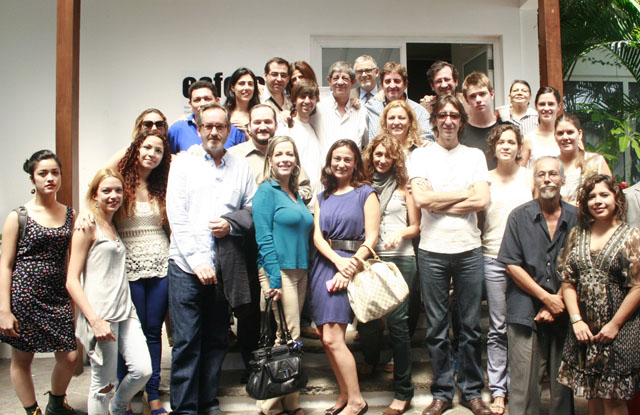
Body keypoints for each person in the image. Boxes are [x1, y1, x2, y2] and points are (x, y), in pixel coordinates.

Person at [166, 102, 255, 415]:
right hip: (185, 268)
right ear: (199, 128)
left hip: (223, 268)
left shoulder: (241, 167)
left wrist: (231, 224)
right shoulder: (183, 165)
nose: (214, 132)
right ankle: (186, 409)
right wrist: (196, 261)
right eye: (208, 126)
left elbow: (252, 209)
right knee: (188, 342)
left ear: (229, 130)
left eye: (220, 126)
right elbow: (175, 215)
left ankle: (208, 402)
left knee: (217, 340)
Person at [410, 94, 491, 415]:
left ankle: (472, 392)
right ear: (434, 121)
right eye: (441, 115)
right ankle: (442, 392)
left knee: (470, 327)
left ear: (461, 120)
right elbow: (421, 200)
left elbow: (482, 201)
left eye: (453, 115)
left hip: (469, 249)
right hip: (432, 251)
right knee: (436, 328)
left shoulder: (474, 156)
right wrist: (463, 194)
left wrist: (437, 197)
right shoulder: (420, 156)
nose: (447, 120)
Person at [66, 168, 152, 415]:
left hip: (125, 311)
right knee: (102, 385)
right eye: (106, 191)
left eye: (117, 190)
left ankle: (116, 406)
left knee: (143, 370)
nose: (113, 195)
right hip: (101, 315)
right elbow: (72, 280)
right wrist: (94, 320)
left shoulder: (113, 224)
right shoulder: (87, 226)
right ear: (94, 195)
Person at [497, 156, 577, 415]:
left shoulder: (578, 218)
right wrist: (546, 298)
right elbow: (511, 265)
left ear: (563, 180)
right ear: (534, 180)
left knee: (562, 385)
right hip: (524, 309)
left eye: (553, 174)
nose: (547, 179)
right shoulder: (519, 216)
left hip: (565, 308)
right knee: (524, 386)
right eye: (541, 174)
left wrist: (557, 302)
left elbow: (580, 266)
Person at [0, 150, 77, 415]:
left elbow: (72, 257)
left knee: (69, 356)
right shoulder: (18, 215)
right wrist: (4, 310)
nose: (50, 178)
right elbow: (5, 264)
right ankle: (32, 410)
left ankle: (56, 403)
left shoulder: (70, 214)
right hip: (24, 295)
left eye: (55, 172)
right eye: (43, 173)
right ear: (33, 178)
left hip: (57, 296)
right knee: (22, 358)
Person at [556, 174, 640, 415]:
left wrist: (615, 324)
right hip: (585, 331)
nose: (598, 201)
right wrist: (576, 320)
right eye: (591, 196)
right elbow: (568, 280)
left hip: (619, 330)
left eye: (604, 195)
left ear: (616, 199)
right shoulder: (576, 234)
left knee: (613, 398)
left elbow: (638, 286)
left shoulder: (632, 236)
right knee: (592, 393)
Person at [310, 139, 379, 415]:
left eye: (347, 159)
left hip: (352, 264)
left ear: (355, 164)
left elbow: (372, 236)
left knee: (334, 338)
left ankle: (357, 400)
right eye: (336, 158)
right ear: (330, 162)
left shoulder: (366, 193)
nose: (341, 164)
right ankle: (343, 394)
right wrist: (337, 261)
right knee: (324, 337)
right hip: (324, 265)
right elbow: (317, 236)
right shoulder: (321, 197)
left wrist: (350, 266)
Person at [252, 136, 314, 415]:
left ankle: (288, 403)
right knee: (292, 337)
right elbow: (263, 238)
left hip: (299, 271)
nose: (285, 158)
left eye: (290, 154)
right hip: (278, 272)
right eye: (280, 154)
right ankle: (267, 403)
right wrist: (274, 281)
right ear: (270, 159)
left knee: (287, 336)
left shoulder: (295, 193)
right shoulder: (266, 191)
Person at [359, 134, 420, 415]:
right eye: (378, 154)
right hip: (371, 259)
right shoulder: (363, 186)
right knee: (368, 318)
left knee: (397, 323)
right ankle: (370, 361)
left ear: (396, 159)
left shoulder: (404, 187)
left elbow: (416, 226)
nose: (382, 160)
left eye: (388, 155)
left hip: (401, 259)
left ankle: (403, 391)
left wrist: (400, 233)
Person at [114, 131, 171, 415]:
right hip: (129, 265)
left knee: (152, 331)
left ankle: (152, 395)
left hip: (160, 264)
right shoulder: (118, 183)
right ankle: (123, 397)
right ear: (135, 149)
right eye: (147, 147)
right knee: (129, 332)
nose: (152, 153)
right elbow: (96, 203)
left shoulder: (163, 185)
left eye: (158, 150)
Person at [480, 124, 533, 415]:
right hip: (492, 259)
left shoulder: (529, 178)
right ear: (494, 146)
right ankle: (498, 391)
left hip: (525, 264)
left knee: (521, 326)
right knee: (497, 328)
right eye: (501, 141)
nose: (506, 146)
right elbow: (478, 220)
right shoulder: (484, 180)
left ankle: (519, 388)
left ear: (518, 147)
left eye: (512, 141)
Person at [366, 62, 433, 142]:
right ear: (381, 85)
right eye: (387, 81)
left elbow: (428, 140)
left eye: (397, 81)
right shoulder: (370, 109)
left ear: (405, 84)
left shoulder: (419, 112)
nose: (392, 86)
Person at [277, 80, 323, 196]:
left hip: (316, 199)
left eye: (311, 97)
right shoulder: (286, 126)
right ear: (294, 100)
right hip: (296, 197)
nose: (307, 101)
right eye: (302, 97)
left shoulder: (313, 127)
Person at [555, 113, 612, 204]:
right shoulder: (550, 166)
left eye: (570, 132)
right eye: (560, 133)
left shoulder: (596, 162)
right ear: (555, 136)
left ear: (580, 134)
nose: (565, 137)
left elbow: (611, 197)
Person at [314, 62, 368, 155]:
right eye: (335, 78)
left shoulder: (361, 110)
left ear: (353, 82)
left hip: (352, 167)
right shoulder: (318, 107)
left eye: (345, 78)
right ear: (329, 81)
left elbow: (365, 144)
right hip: (325, 167)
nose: (340, 82)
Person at [460, 72, 498, 169]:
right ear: (467, 100)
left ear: (492, 94)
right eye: (473, 96)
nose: (478, 100)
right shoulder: (460, 133)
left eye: (482, 94)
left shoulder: (505, 128)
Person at [168, 80, 217, 154]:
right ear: (190, 104)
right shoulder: (177, 129)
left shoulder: (233, 129)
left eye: (207, 99)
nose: (202, 103)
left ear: (217, 101)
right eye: (197, 100)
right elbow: (168, 160)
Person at [520, 86, 562, 167]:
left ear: (559, 106)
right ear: (536, 106)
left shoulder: (566, 137)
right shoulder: (528, 139)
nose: (546, 108)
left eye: (551, 104)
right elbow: (521, 173)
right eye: (542, 104)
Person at [224, 67, 261, 146]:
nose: (246, 88)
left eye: (250, 84)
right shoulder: (223, 113)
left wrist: (246, 136)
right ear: (232, 87)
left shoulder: (260, 114)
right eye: (241, 83)